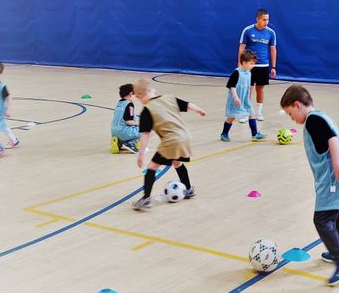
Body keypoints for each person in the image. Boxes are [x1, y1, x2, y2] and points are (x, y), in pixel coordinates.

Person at [280, 84, 339, 286]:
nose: (291, 119)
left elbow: (333, 140)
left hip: (333, 180)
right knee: (336, 217)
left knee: (322, 220)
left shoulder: (313, 120)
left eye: (290, 113)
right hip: (337, 179)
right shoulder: (322, 116)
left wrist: (337, 166)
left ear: (298, 105)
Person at [131, 78, 206, 211]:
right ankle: (188, 189)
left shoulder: (147, 110)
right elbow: (187, 105)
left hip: (171, 140)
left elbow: (145, 134)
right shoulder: (169, 98)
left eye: (137, 97)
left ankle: (146, 199)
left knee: (152, 167)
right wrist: (199, 110)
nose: (138, 100)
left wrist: (140, 155)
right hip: (185, 137)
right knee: (177, 163)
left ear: (141, 95)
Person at [237, 8, 277, 122]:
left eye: (267, 19)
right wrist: (240, 63)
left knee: (260, 89)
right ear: (257, 19)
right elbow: (241, 48)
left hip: (263, 66)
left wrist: (273, 67)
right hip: (249, 66)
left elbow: (273, 49)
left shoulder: (270, 33)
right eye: (264, 20)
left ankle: (259, 113)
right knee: (248, 89)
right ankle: (245, 113)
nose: (266, 22)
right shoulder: (248, 30)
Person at [220, 50, 267, 142]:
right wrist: (236, 97)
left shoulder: (249, 73)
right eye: (250, 63)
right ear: (244, 62)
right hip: (236, 99)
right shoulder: (236, 72)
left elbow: (248, 87)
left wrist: (248, 97)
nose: (252, 66)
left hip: (245, 99)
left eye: (253, 64)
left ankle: (255, 134)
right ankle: (224, 134)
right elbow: (231, 86)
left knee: (252, 114)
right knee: (232, 117)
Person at [111, 84, 140, 154]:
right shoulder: (130, 105)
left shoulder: (119, 103)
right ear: (130, 94)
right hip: (124, 132)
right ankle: (130, 143)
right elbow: (128, 122)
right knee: (146, 129)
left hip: (114, 132)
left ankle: (119, 142)